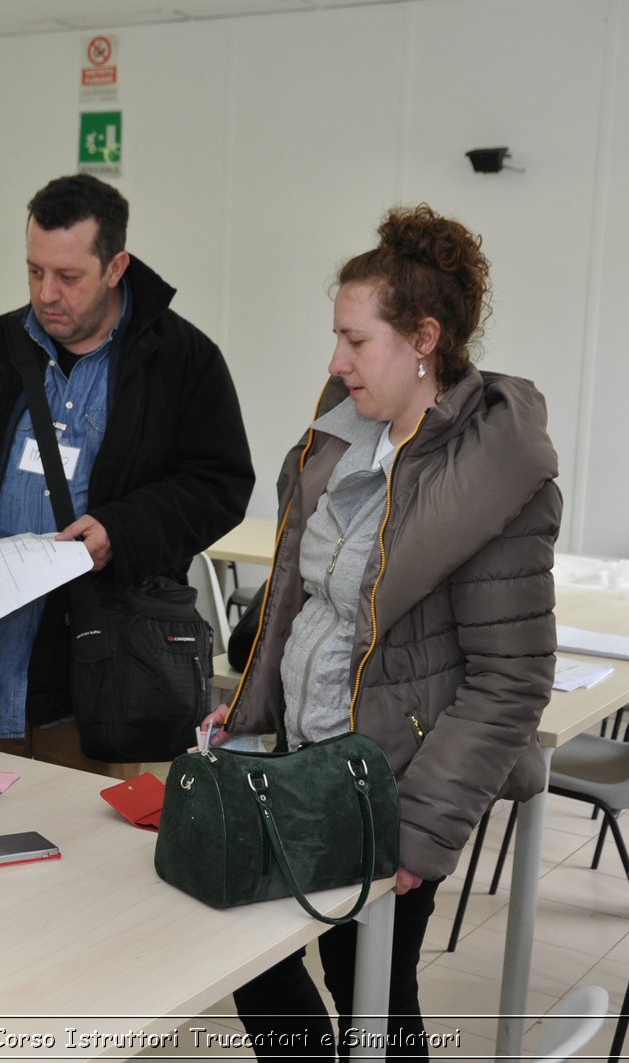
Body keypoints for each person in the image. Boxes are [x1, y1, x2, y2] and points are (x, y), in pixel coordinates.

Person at [210, 204, 560, 1059]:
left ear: (424, 340)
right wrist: (253, 711)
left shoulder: (491, 481)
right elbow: (300, 598)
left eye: (356, 341)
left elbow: (509, 679)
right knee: (248, 948)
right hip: (304, 761)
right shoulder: (343, 444)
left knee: (369, 982)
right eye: (337, 337)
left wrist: (420, 828)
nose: (336, 361)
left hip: (388, 787)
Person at [0, 174, 254, 776]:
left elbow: (219, 485)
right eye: (34, 271)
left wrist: (123, 529)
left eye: (68, 277)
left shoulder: (183, 362)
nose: (46, 293)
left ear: (116, 267)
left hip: (101, 688)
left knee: (87, 863)